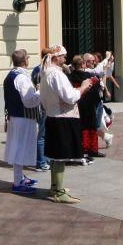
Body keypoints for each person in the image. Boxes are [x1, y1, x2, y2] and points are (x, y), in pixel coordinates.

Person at [39, 45, 94, 203]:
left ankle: (55, 186)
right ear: (56, 58)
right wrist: (82, 88)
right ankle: (59, 192)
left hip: (52, 116)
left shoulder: (45, 73)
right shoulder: (56, 74)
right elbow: (69, 97)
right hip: (62, 118)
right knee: (61, 155)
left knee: (56, 155)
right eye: (63, 56)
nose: (65, 59)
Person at [2, 49, 41, 193]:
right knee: (21, 149)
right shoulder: (21, 77)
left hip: (16, 117)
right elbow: (29, 101)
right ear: (25, 61)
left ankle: (19, 177)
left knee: (18, 147)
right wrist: (40, 91)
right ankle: (18, 182)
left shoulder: (12, 75)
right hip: (23, 117)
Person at [30, 47, 51, 173]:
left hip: (44, 104)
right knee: (42, 134)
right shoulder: (42, 70)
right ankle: (41, 162)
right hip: (43, 105)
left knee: (46, 133)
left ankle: (45, 159)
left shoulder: (36, 69)